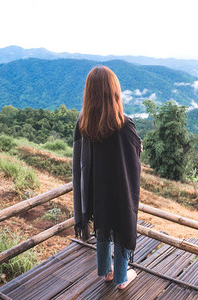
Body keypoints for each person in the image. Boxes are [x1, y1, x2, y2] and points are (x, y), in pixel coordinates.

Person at [72, 66, 142, 290]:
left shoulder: (84, 123)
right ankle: (122, 278)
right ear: (114, 91)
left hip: (96, 190)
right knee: (121, 228)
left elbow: (80, 159)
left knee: (102, 226)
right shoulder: (124, 124)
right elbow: (135, 153)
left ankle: (106, 271)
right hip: (119, 191)